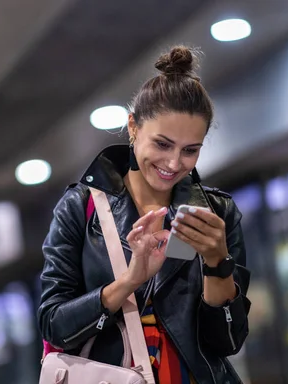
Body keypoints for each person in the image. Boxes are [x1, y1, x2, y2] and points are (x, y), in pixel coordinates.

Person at [38, 45, 251, 384]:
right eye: (162, 144)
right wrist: (130, 280)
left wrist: (217, 261)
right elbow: (55, 326)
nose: (173, 163)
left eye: (190, 150)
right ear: (133, 127)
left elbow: (227, 341)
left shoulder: (216, 213)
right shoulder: (82, 208)